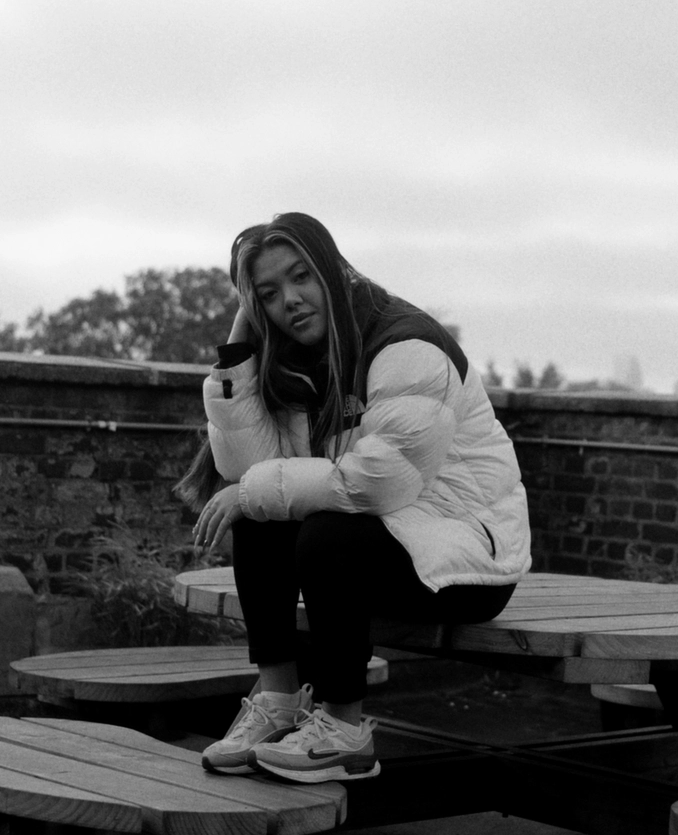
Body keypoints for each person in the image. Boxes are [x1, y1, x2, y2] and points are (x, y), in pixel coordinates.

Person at [176, 212, 531, 783]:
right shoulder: (296, 358)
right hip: (387, 544)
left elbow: (380, 482)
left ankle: (344, 731)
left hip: (466, 558)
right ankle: (279, 700)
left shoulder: (407, 346)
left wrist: (252, 491)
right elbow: (252, 471)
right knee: (262, 515)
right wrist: (239, 352)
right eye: (268, 294)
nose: (290, 301)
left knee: (322, 532)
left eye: (301, 277)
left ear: (333, 270)